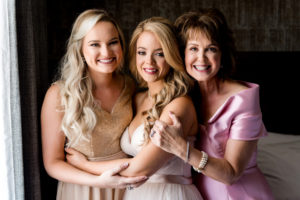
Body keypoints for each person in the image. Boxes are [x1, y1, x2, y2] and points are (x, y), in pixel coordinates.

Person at [65, 16, 203, 200]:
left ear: (172, 56)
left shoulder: (179, 105)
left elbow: (140, 168)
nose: (149, 62)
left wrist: (84, 165)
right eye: (142, 52)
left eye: (160, 53)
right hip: (134, 194)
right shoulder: (136, 97)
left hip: (169, 194)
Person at [150, 8, 274, 200]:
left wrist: (182, 149)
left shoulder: (243, 100)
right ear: (181, 54)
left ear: (222, 55)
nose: (201, 58)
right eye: (193, 49)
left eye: (211, 49)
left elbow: (231, 173)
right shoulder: (182, 97)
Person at [41, 9, 147, 200]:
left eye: (113, 42)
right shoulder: (59, 94)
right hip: (83, 188)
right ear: (80, 48)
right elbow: (52, 163)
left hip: (127, 188)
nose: (106, 52)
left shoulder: (131, 86)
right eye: (94, 44)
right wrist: (97, 181)